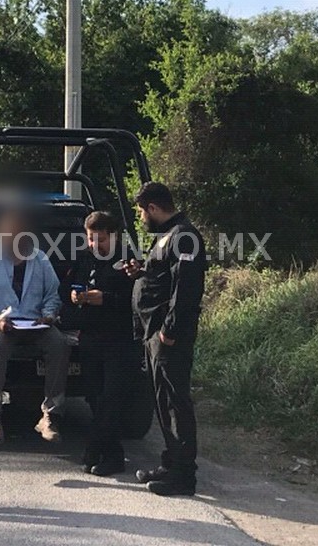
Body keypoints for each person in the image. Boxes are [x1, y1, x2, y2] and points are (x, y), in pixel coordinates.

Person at [125, 182, 207, 497]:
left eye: (142, 211)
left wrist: (168, 331)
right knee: (162, 402)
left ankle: (184, 476)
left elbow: (185, 290)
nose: (141, 218)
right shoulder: (167, 237)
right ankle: (171, 464)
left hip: (169, 336)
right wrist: (140, 272)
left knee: (175, 403)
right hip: (154, 334)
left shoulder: (184, 236)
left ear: (154, 208)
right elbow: (162, 277)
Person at [0, 212, 70, 446]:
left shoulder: (40, 259)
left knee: (59, 344)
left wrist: (49, 316)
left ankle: (50, 415)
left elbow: (53, 294)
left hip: (35, 323)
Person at [59, 211, 138, 476]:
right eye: (91, 239)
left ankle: (103, 451)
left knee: (111, 399)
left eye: (101, 239)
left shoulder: (129, 261)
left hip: (120, 339)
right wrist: (75, 296)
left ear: (115, 236)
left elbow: (137, 300)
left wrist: (106, 298)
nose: (95, 245)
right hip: (91, 338)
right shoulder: (84, 259)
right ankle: (105, 452)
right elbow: (69, 288)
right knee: (94, 397)